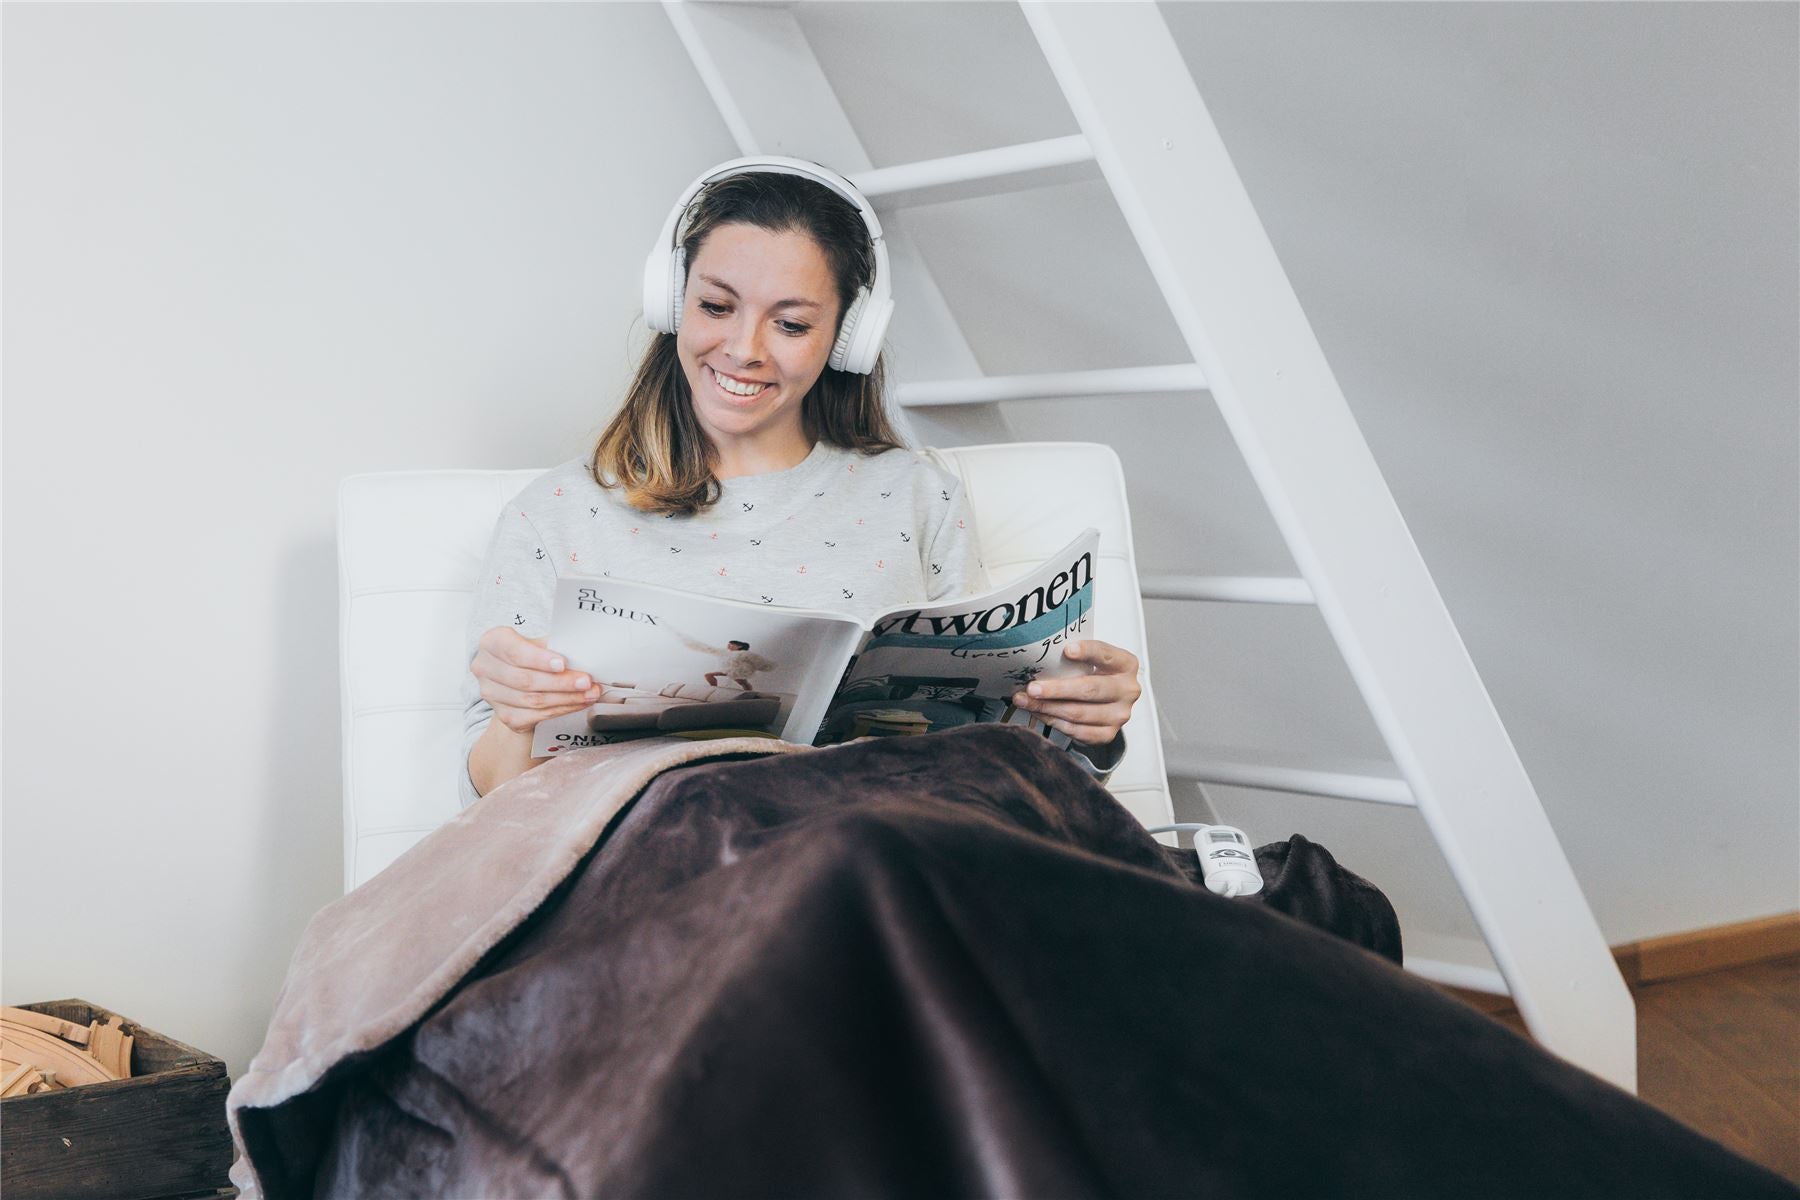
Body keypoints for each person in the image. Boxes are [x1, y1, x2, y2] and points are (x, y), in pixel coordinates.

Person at [459, 157, 1142, 807]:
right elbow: (488, 798)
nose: (744, 349)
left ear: (847, 338)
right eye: (716, 306)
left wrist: (1087, 731)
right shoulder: (556, 513)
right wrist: (520, 715)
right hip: (667, 855)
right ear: (673, 303)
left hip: (883, 840)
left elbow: (980, 751)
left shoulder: (917, 497)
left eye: (790, 324)